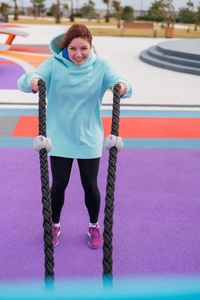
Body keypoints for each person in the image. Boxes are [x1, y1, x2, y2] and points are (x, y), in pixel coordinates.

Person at [17, 23, 132, 249]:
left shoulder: (101, 66)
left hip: (88, 138)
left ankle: (93, 226)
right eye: (73, 49)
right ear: (66, 48)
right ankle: (54, 224)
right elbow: (26, 79)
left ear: (90, 47)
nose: (78, 54)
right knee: (59, 185)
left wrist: (122, 87)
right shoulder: (53, 64)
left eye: (83, 48)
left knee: (90, 185)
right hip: (59, 138)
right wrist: (33, 82)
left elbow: (123, 82)